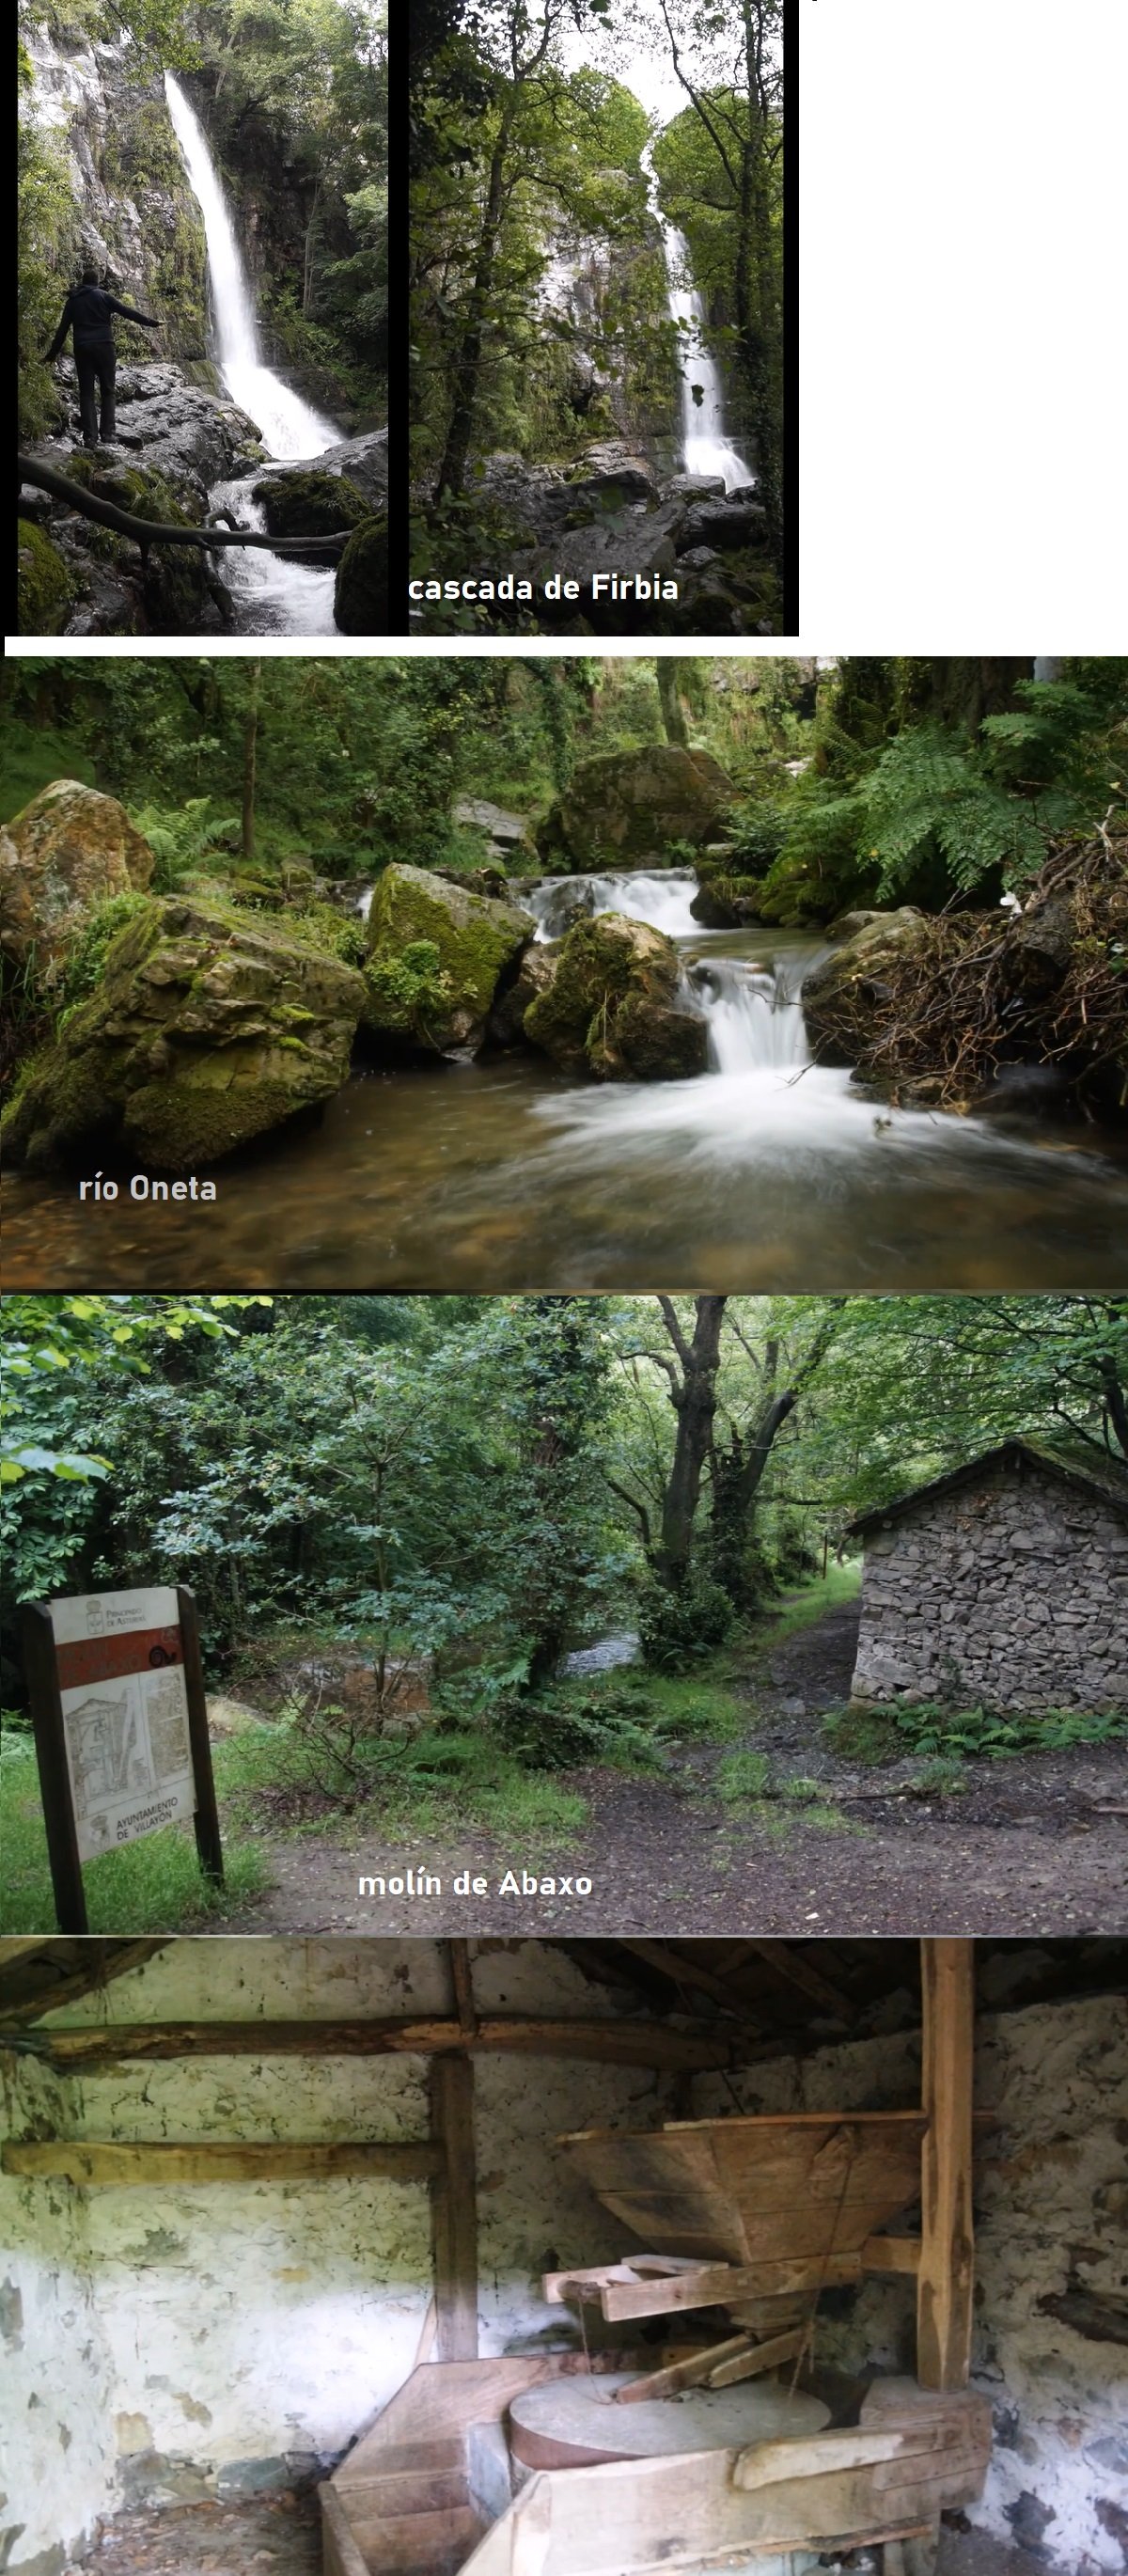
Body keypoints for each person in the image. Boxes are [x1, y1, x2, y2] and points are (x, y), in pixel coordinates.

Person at [44, 266, 160, 449]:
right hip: (105, 347)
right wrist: (152, 323)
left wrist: (51, 355)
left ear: (83, 282)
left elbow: (62, 331)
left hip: (83, 349)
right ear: (97, 283)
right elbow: (127, 312)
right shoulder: (103, 296)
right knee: (108, 390)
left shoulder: (73, 301)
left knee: (86, 394)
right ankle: (108, 434)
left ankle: (90, 438)